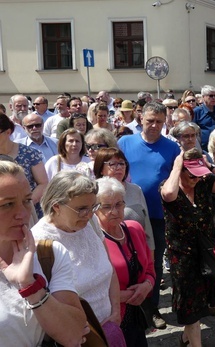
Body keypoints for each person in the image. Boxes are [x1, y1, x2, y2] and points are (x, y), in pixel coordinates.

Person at [32, 171, 125, 345]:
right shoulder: (40, 243)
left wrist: (116, 312)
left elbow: (110, 270)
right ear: (56, 206)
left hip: (110, 327)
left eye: (93, 207)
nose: (89, 214)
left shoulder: (90, 223)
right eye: (82, 209)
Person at [0, 161, 86, 346]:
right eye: (7, 205)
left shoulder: (50, 254)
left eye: (27, 200)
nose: (22, 213)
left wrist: (29, 286)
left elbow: (74, 334)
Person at [161, 148, 215, 347]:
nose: (196, 178)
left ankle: (186, 339)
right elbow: (169, 194)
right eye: (191, 173)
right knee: (189, 303)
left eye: (199, 173)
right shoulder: (169, 187)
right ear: (180, 171)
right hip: (182, 255)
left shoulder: (204, 183)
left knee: (202, 300)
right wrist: (178, 164)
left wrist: (210, 165)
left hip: (205, 250)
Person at [118, 101, 181, 329]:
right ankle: (128, 309)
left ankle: (152, 309)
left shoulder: (172, 148)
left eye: (159, 122)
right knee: (125, 263)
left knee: (152, 264)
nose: (154, 125)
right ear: (140, 119)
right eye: (150, 120)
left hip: (158, 217)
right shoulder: (125, 142)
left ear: (165, 123)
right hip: (125, 216)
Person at [95, 177, 155, 347]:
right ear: (95, 209)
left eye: (119, 204)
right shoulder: (94, 241)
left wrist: (147, 286)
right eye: (106, 206)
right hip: (110, 319)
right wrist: (122, 296)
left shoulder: (134, 228)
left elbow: (150, 268)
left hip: (137, 314)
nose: (114, 211)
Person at [93, 147, 154, 251]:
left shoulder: (135, 190)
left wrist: (151, 252)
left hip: (137, 249)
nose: (119, 167)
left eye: (122, 163)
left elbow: (147, 226)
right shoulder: (93, 192)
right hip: (106, 250)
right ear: (101, 169)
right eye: (112, 164)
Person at [0, 114, 48, 211]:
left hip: (28, 211)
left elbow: (43, 183)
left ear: (8, 132)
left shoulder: (30, 153)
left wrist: (25, 203)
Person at [193, 85, 215, 150]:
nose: (214, 98)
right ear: (203, 97)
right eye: (211, 96)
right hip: (204, 148)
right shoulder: (196, 112)